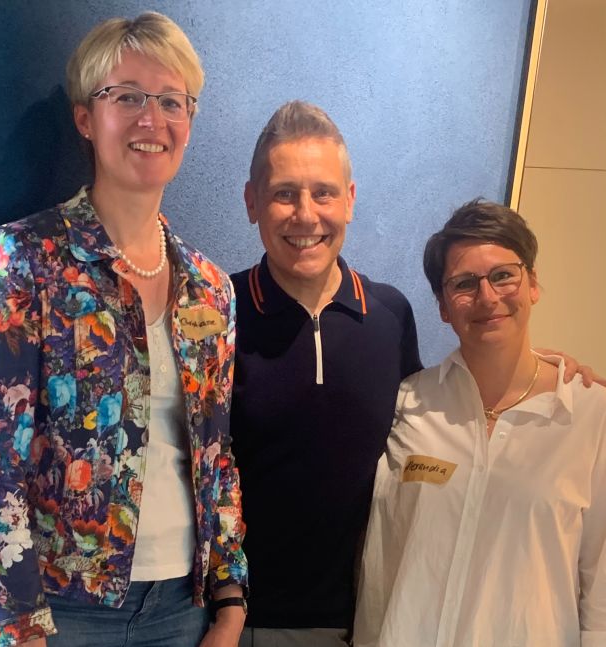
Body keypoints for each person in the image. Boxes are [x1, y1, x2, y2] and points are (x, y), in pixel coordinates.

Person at [0, 12, 246, 647]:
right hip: (55, 612)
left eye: (171, 101)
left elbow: (217, 458)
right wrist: (17, 626)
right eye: (129, 97)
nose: (152, 119)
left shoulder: (210, 288)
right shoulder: (23, 260)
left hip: (181, 609)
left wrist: (230, 601)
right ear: (86, 118)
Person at [353, 200, 606, 646]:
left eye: (503, 275)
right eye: (464, 283)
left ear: (533, 284)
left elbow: (600, 591)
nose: (487, 297)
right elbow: (381, 555)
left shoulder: (591, 416)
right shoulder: (410, 402)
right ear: (443, 307)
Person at [230, 101, 422, 647]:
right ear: (252, 202)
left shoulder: (390, 315)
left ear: (350, 200)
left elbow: (436, 422)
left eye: (324, 193)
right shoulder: (216, 310)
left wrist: (538, 376)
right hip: (235, 620)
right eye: (284, 193)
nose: (306, 215)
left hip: (363, 620)